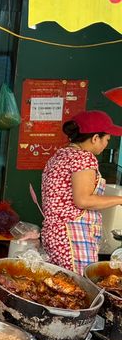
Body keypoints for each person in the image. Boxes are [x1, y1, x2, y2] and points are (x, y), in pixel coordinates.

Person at [41, 110, 122, 274]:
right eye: (106, 139)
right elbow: (83, 200)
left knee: (59, 286)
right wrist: (120, 199)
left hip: (56, 234)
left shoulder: (60, 155)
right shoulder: (83, 158)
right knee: (79, 288)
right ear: (95, 138)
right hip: (73, 237)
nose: (106, 143)